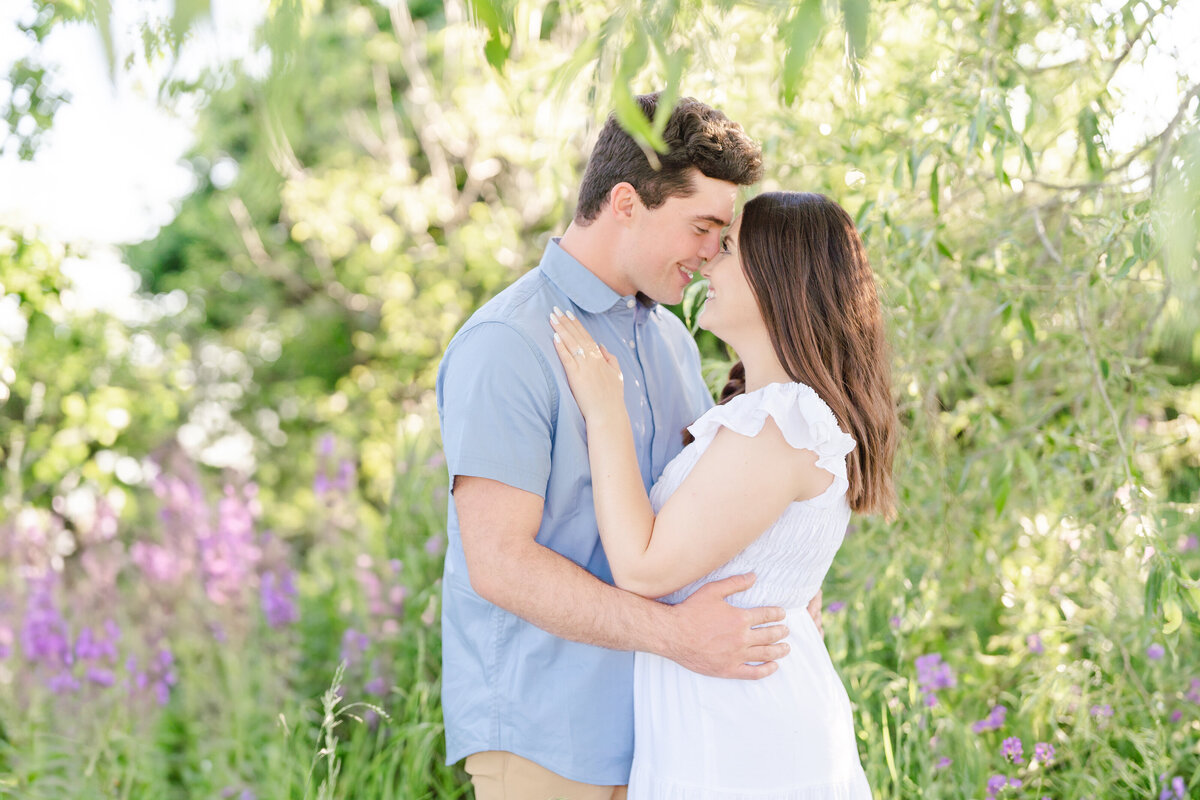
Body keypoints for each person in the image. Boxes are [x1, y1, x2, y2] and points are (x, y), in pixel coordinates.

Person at [437, 94, 820, 799]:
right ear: (625, 203)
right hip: (546, 739)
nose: (714, 253)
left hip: (669, 736)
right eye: (703, 226)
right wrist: (679, 637)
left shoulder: (672, 340)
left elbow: (719, 513)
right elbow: (499, 564)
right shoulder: (508, 345)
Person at [549, 190, 898, 799]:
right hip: (731, 713)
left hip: (742, 731)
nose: (708, 261)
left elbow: (641, 566)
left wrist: (605, 413)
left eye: (730, 247)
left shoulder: (780, 423)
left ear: (778, 279)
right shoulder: (773, 417)